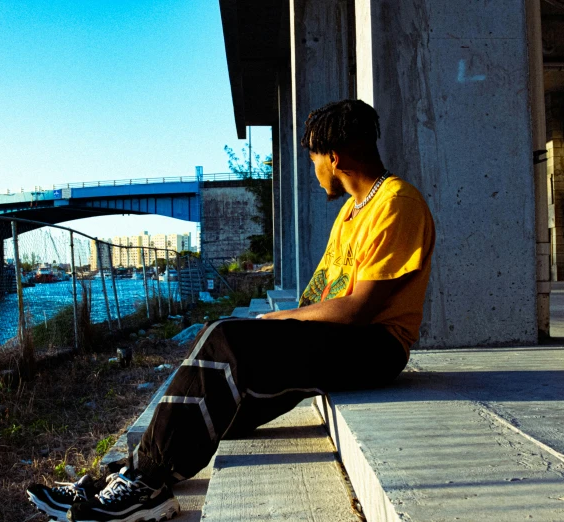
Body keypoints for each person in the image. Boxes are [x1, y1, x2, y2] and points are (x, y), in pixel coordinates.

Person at [26, 99, 436, 522]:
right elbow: (319, 298)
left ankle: (145, 484)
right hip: (343, 339)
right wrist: (268, 331)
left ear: (334, 157)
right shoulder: (353, 212)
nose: (313, 173)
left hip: (376, 347)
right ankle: (125, 476)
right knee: (220, 368)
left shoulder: (396, 204)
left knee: (228, 339)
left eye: (313, 159)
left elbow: (358, 310)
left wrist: (269, 323)